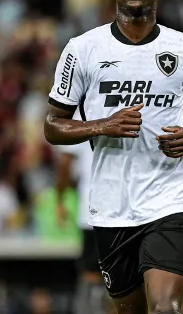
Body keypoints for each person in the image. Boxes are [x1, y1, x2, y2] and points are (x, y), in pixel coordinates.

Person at [44, 0, 183, 314]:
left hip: (168, 198)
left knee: (164, 309)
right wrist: (102, 126)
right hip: (111, 207)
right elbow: (52, 125)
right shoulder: (82, 50)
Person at [53, 109, 105, 314]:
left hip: (92, 209)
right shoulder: (123, 105)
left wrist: (60, 199)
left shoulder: (81, 115)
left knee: (91, 272)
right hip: (121, 209)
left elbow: (65, 164)